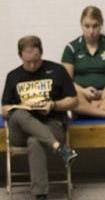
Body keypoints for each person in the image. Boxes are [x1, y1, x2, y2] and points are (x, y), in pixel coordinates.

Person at [1, 35, 79, 200]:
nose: (32, 65)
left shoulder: (57, 70)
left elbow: (74, 100)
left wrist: (53, 105)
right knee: (20, 113)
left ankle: (40, 195)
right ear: (20, 56)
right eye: (27, 62)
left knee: (35, 141)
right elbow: (5, 109)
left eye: (36, 61)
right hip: (20, 129)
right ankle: (59, 148)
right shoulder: (13, 76)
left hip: (51, 124)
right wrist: (19, 107)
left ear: (41, 53)